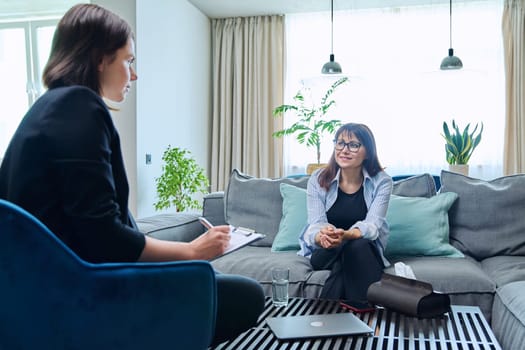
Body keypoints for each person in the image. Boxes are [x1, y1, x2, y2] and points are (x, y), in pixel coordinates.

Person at [0, 4, 263, 346]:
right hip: (83, 292)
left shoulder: (47, 108)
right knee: (245, 295)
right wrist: (192, 251)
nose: (134, 75)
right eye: (129, 60)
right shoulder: (80, 107)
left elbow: (88, 225)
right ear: (99, 59)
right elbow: (103, 236)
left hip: (42, 290)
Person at [298, 123, 392, 303]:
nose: (344, 150)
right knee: (353, 247)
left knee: (357, 246)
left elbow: (373, 226)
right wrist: (324, 237)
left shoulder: (382, 181)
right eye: (340, 143)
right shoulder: (318, 179)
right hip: (325, 250)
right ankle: (369, 319)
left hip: (362, 248)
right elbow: (315, 224)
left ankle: (325, 316)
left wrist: (346, 235)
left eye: (354, 145)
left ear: (368, 152)